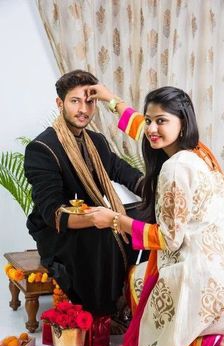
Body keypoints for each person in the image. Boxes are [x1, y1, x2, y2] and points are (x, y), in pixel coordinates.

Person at [85, 84, 224, 346]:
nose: (152, 129)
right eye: (149, 120)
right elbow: (145, 131)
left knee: (139, 282)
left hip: (197, 276)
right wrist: (111, 101)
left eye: (161, 121)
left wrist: (114, 220)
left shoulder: (175, 168)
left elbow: (168, 239)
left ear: (183, 122)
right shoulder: (199, 152)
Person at [24, 70, 148, 330]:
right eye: (75, 101)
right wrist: (101, 218)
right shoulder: (42, 149)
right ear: (60, 104)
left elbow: (124, 172)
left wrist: (158, 191)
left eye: (89, 101)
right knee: (104, 230)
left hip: (96, 217)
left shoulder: (97, 142)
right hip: (56, 230)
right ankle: (103, 310)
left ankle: (138, 298)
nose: (83, 109)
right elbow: (53, 213)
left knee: (149, 214)